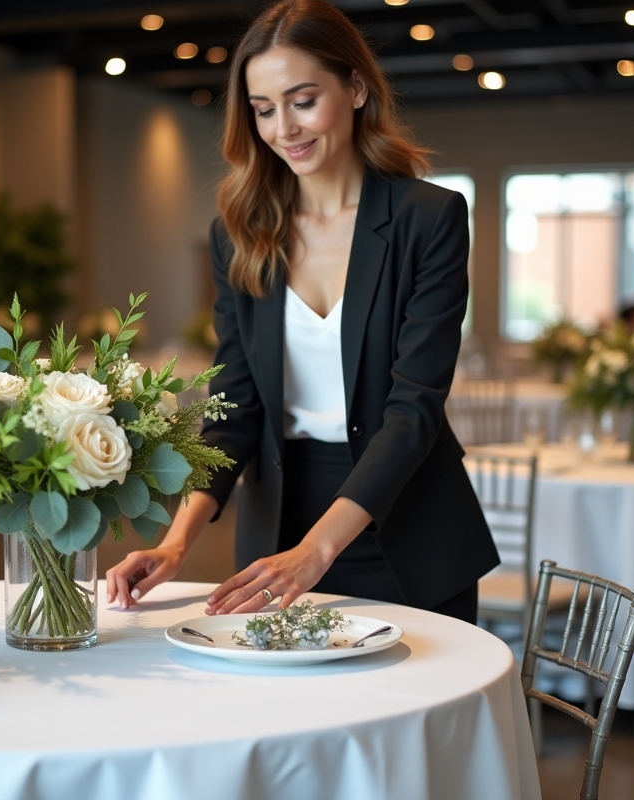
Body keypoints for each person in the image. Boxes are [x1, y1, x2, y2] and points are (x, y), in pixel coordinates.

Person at [105, 0, 498, 624]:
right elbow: (234, 409)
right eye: (263, 110)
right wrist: (176, 542)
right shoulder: (239, 233)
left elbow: (413, 410)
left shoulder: (429, 218)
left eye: (303, 100)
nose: (283, 127)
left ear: (357, 88)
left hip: (406, 531)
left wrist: (318, 549)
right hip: (279, 533)